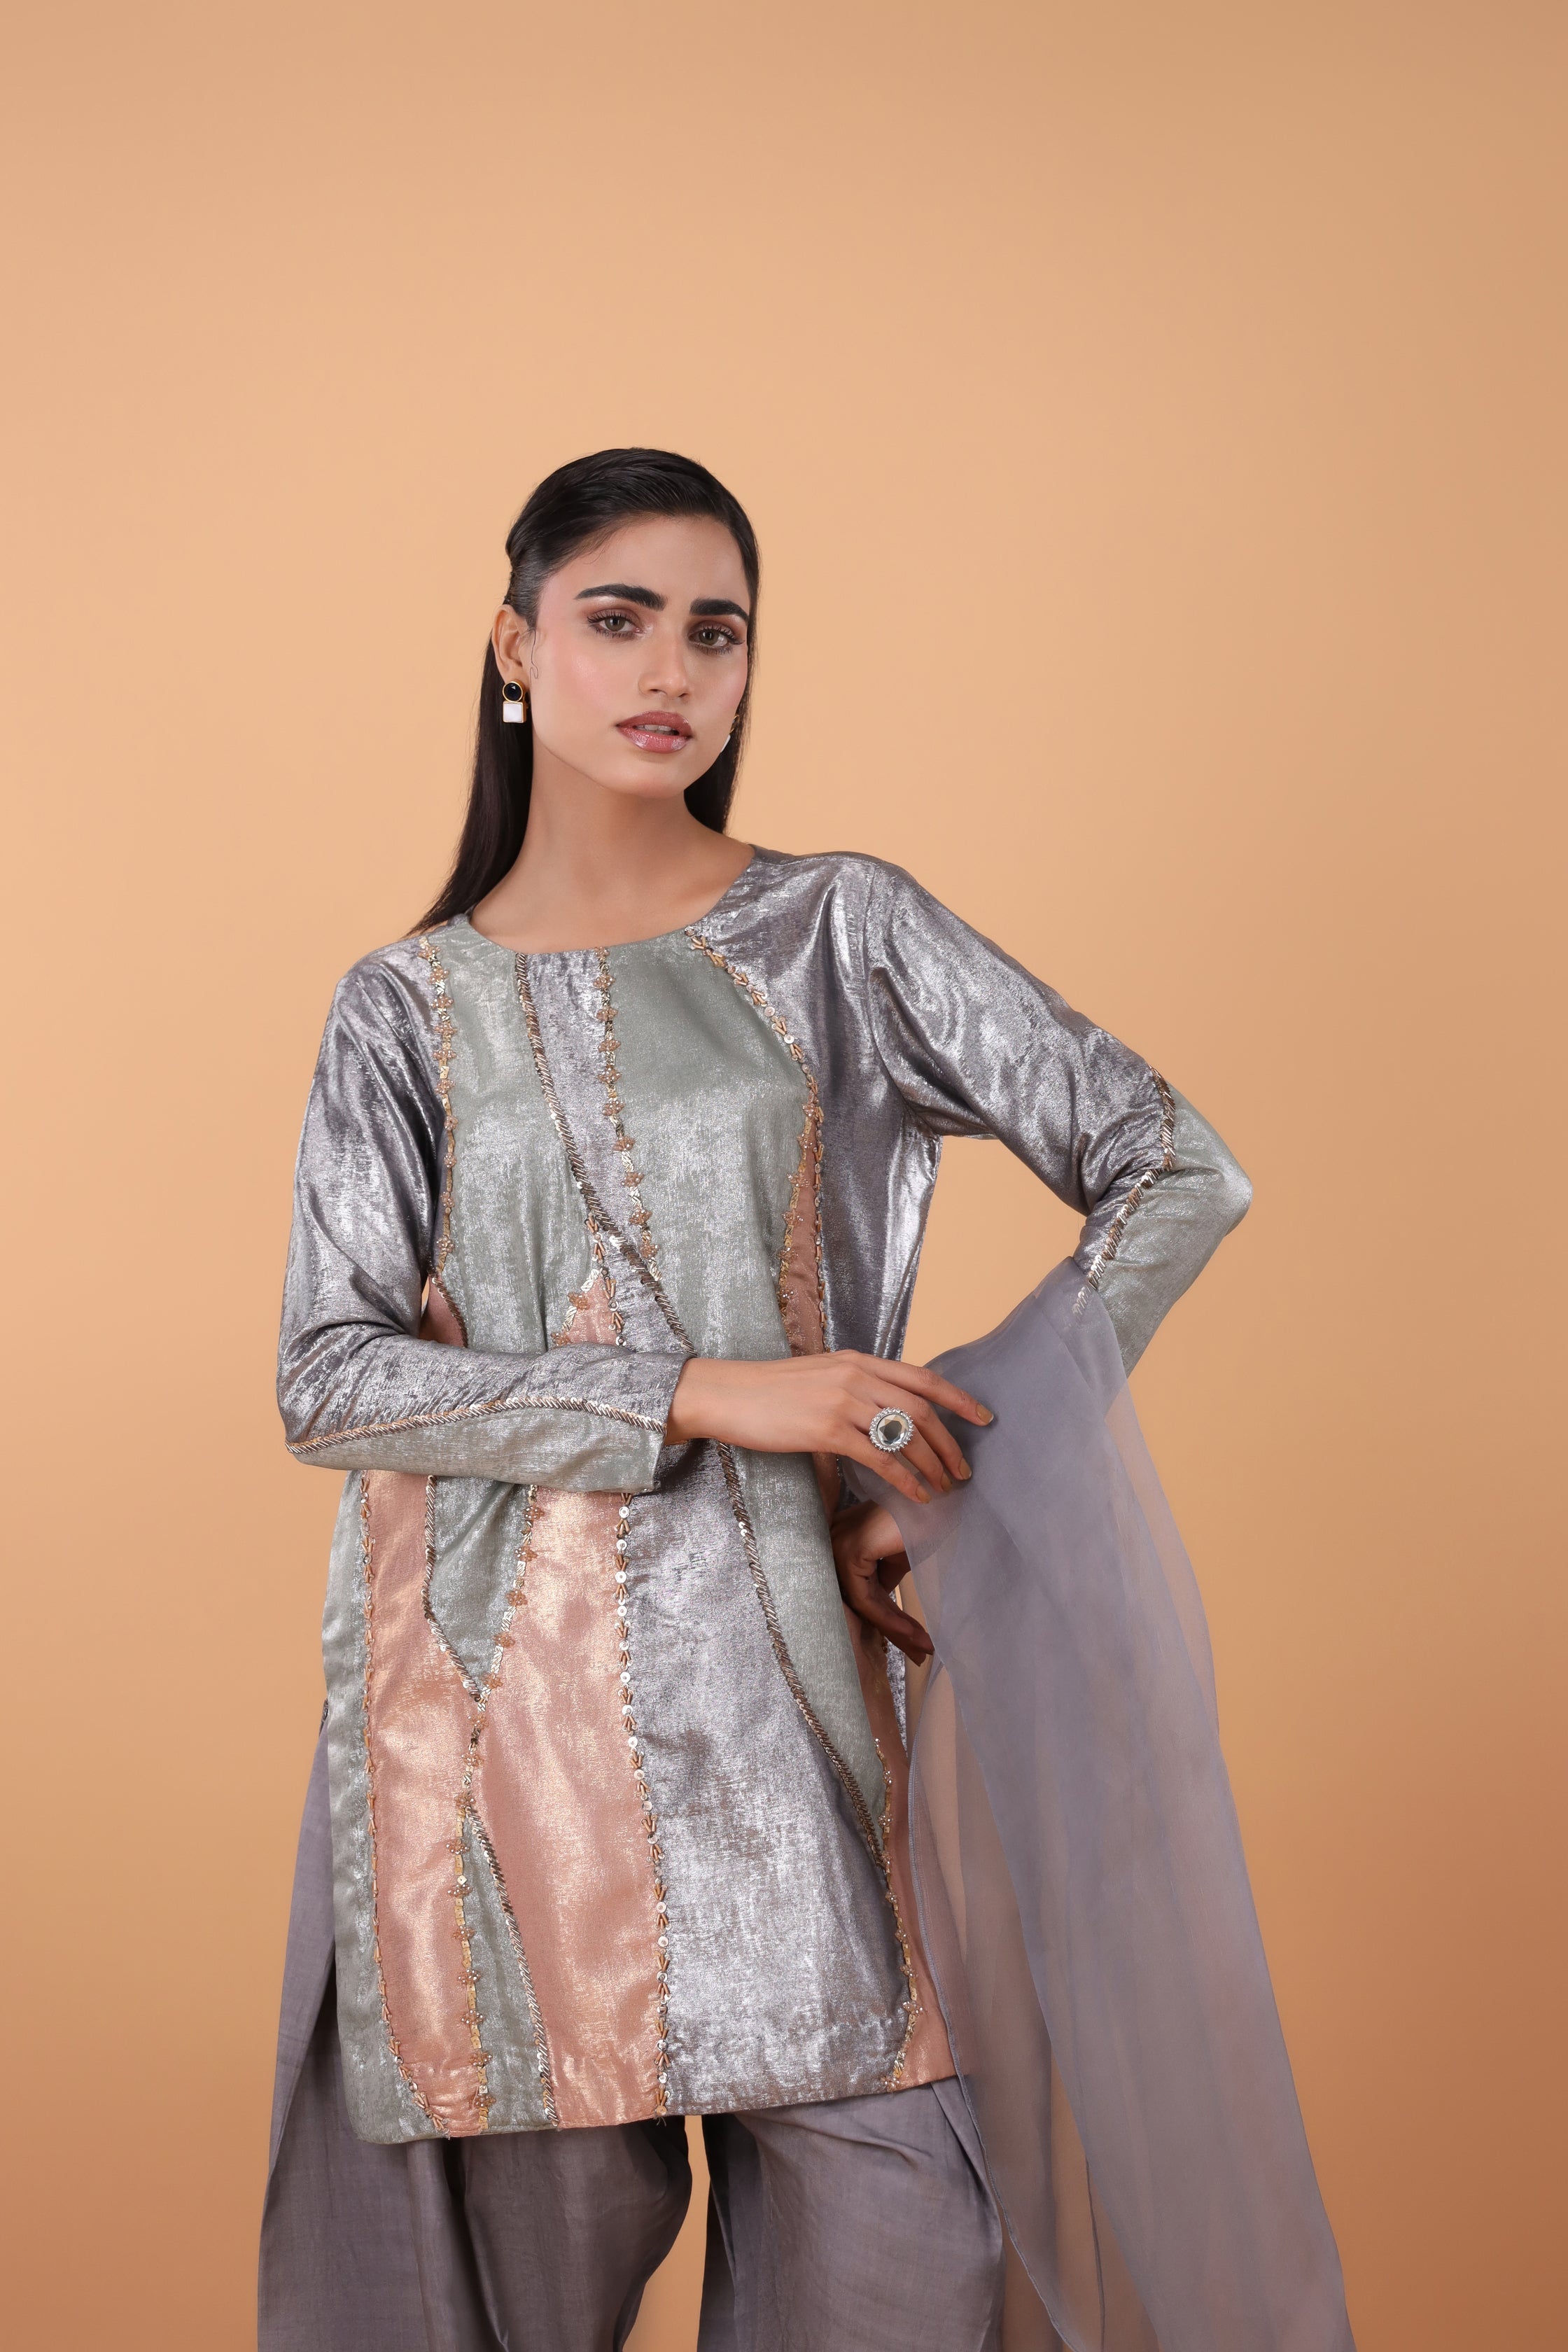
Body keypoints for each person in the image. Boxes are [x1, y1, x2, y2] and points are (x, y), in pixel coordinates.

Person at [260, 448, 1350, 2351]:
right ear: (515, 647)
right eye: (617, 620)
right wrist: (715, 1393)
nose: (669, 669)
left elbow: (1178, 1167)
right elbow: (332, 1378)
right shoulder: (403, 1009)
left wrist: (931, 1476)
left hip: (805, 1745)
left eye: (718, 631)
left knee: (908, 2253)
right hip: (503, 1782)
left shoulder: (843, 929)